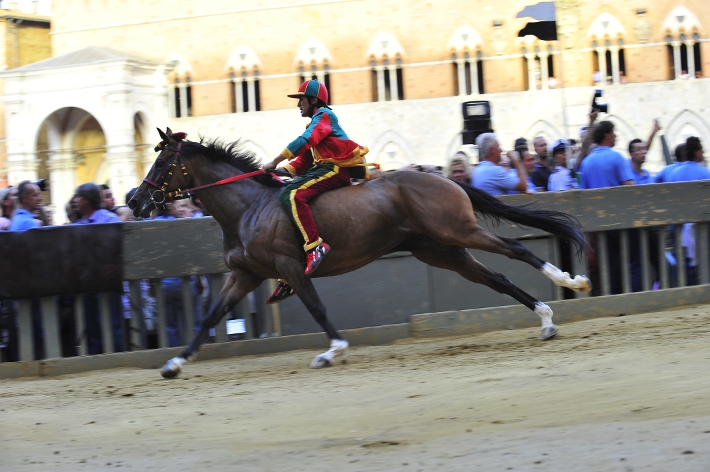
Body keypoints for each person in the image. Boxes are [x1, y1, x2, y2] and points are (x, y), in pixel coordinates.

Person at [261, 80, 369, 303]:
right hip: (324, 169)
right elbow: (305, 159)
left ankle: (315, 248)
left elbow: (306, 141)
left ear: (312, 100)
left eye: (300, 100)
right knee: (287, 193)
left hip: (335, 170)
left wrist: (274, 160)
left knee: (290, 195)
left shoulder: (324, 116)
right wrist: (281, 171)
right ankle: (293, 269)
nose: (298, 105)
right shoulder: (318, 121)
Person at [73, 182, 124, 354]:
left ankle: (117, 358)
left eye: (78, 197)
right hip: (89, 283)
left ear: (86, 200)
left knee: (113, 323)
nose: (75, 201)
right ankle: (98, 359)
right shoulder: (80, 224)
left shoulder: (109, 219)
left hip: (108, 281)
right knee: (93, 326)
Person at [579, 121, 634, 189]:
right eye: (612, 132)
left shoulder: (585, 162)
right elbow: (630, 186)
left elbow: (583, 189)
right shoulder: (617, 157)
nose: (615, 135)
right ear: (607, 136)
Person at [627, 120, 661, 185]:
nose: (643, 152)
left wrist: (654, 132)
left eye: (644, 149)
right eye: (639, 149)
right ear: (631, 155)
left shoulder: (647, 173)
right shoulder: (629, 176)